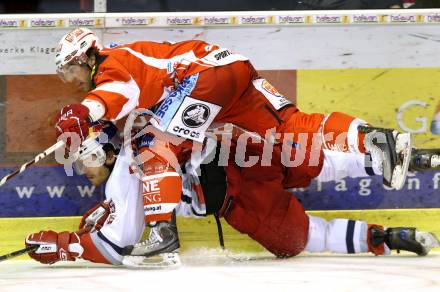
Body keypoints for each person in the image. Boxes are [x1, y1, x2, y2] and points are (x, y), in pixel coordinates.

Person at [53, 27, 417, 259]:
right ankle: (376, 147)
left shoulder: (113, 64)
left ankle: (161, 229)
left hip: (210, 94)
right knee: (291, 230)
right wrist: (92, 129)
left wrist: (81, 112)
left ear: (86, 56)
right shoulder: (125, 109)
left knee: (152, 141)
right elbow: (112, 113)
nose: (70, 78)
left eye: (70, 69)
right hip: (232, 81)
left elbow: (114, 93)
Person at [24, 126, 440, 267]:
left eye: (83, 162)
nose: (82, 171)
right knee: (300, 234)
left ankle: (407, 160)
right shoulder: (126, 164)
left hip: (231, 167)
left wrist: (68, 247)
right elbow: (118, 231)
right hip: (234, 190)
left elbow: (117, 246)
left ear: (98, 152)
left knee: (318, 163)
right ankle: (387, 237)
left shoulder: (128, 163)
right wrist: (88, 228)